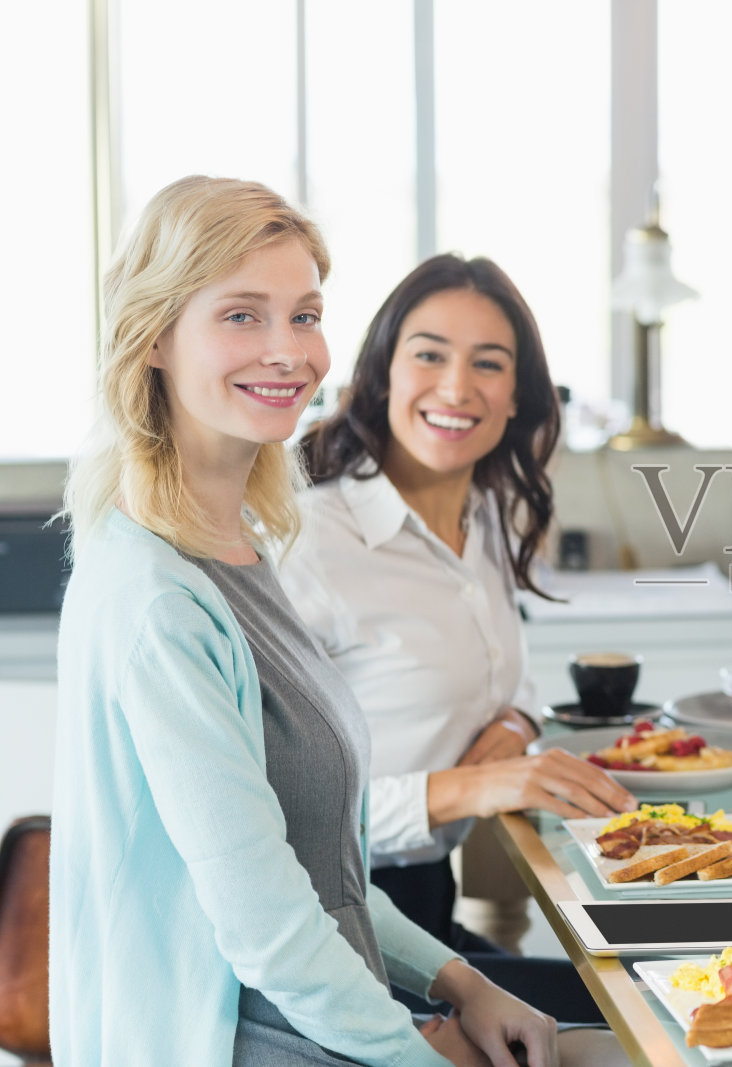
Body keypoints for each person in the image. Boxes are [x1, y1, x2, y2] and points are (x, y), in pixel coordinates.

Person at [51, 175, 555, 1066]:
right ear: (155, 336)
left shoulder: (240, 540)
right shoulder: (158, 596)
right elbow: (271, 933)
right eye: (242, 316)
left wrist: (462, 982)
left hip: (330, 1020)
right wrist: (423, 1054)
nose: (289, 351)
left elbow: (325, 869)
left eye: (306, 315)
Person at [282, 253, 634, 1021]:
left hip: (425, 911)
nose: (456, 387)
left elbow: (512, 680)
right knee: (636, 1019)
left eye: (489, 363)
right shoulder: (309, 541)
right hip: (332, 936)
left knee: (654, 989)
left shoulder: (490, 512)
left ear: (518, 396)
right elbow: (274, 812)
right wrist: (471, 787)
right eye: (429, 354)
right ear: (380, 374)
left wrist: (514, 724)